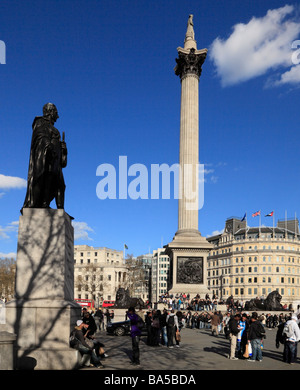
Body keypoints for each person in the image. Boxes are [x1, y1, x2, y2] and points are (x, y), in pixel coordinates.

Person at [22, 103, 67, 210]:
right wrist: (50, 146)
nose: (58, 116)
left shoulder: (54, 129)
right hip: (46, 160)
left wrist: (63, 148)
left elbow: (63, 161)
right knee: (46, 181)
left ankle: (58, 209)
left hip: (55, 161)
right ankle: (44, 204)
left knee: (60, 185)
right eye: (56, 113)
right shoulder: (40, 123)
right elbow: (41, 139)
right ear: (50, 112)